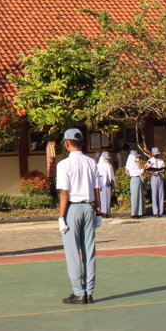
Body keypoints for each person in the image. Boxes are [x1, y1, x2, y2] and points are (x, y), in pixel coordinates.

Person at [56, 128, 103, 304]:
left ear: (67, 143)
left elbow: (64, 193)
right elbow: (97, 189)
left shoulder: (64, 165)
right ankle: (89, 291)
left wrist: (61, 217)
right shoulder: (91, 162)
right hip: (89, 207)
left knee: (73, 251)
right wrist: (98, 212)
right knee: (89, 250)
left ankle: (79, 292)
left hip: (73, 208)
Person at [145, 147, 166, 217]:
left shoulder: (161, 161)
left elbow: (164, 168)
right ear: (152, 154)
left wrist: (163, 171)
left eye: (157, 154)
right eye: (155, 154)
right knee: (154, 194)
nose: (157, 155)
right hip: (154, 177)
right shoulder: (150, 161)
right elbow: (146, 170)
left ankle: (161, 211)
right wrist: (150, 171)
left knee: (161, 194)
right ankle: (155, 212)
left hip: (160, 177)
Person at [125, 150, 144, 218]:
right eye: (136, 157)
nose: (137, 158)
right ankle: (134, 213)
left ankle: (139, 212)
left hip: (138, 179)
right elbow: (137, 172)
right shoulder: (131, 164)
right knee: (135, 197)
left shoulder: (136, 163)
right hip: (134, 179)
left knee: (139, 196)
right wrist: (144, 169)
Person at [96, 152, 115, 217]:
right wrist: (98, 185)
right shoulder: (99, 166)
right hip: (101, 182)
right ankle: (103, 212)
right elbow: (97, 176)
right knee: (102, 198)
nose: (107, 160)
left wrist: (113, 185)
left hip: (108, 182)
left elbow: (112, 175)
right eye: (106, 159)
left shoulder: (109, 165)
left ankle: (108, 212)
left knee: (108, 198)